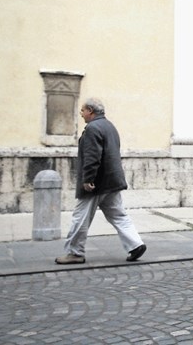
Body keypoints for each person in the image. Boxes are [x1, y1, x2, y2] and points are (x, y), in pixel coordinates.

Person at [55, 98, 146, 265]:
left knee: (80, 218)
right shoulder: (109, 126)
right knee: (118, 215)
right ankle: (135, 244)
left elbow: (92, 155)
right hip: (112, 181)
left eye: (83, 110)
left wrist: (88, 178)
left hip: (97, 183)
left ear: (90, 110)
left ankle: (75, 253)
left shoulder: (92, 128)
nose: (81, 114)